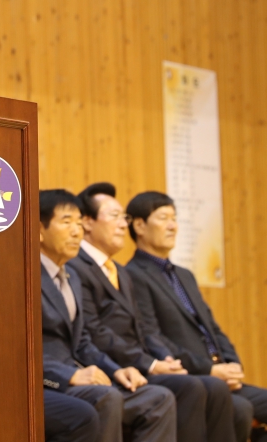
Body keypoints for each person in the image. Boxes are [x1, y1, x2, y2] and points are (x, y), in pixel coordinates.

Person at [123, 192, 267, 442]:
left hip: (222, 377)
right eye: (163, 218)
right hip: (195, 381)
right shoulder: (133, 275)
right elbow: (153, 338)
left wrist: (233, 365)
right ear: (139, 226)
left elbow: (212, 327)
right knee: (241, 411)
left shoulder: (184, 275)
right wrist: (210, 370)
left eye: (175, 218)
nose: (173, 225)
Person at [72, 183, 233, 442]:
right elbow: (94, 331)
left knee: (210, 387)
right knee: (191, 387)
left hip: (139, 363)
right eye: (114, 216)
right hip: (112, 366)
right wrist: (151, 364)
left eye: (124, 217)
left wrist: (165, 360)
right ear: (88, 223)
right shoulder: (76, 267)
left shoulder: (119, 271)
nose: (123, 224)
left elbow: (143, 329)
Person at [39, 189, 178, 442]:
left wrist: (116, 370)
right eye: (66, 222)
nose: (76, 231)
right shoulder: (27, 278)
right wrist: (68, 375)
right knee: (106, 397)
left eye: (79, 223)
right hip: (49, 381)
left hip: (80, 374)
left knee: (158, 398)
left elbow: (82, 342)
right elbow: (21, 349)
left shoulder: (70, 276)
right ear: (38, 229)